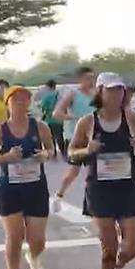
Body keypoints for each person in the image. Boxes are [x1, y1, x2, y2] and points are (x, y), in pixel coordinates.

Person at [67, 73, 135, 269]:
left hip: (126, 188)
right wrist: (87, 149)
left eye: (120, 90)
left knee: (132, 246)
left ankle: (119, 267)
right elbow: (71, 153)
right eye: (111, 90)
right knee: (109, 246)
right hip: (100, 190)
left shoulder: (132, 118)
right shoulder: (87, 122)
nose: (116, 95)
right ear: (100, 92)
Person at [0, 86, 55, 269]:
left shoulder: (40, 127)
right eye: (16, 99)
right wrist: (5, 158)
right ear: (7, 103)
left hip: (36, 187)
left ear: (29, 103)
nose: (21, 103)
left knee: (38, 239)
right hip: (10, 189)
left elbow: (52, 150)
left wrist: (45, 155)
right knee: (14, 236)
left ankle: (33, 256)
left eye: (24, 99)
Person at [52, 66, 96, 207]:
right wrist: (70, 116)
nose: (91, 81)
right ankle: (59, 196)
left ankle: (92, 202)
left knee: (93, 171)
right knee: (73, 171)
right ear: (81, 79)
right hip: (74, 137)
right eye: (88, 78)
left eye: (92, 78)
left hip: (93, 137)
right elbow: (56, 113)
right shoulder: (72, 94)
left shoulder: (96, 94)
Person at [38, 79, 65, 158]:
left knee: (51, 137)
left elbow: (43, 107)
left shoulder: (46, 96)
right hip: (59, 119)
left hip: (49, 119)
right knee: (60, 136)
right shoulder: (60, 95)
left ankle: (54, 154)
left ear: (48, 87)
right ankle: (64, 153)